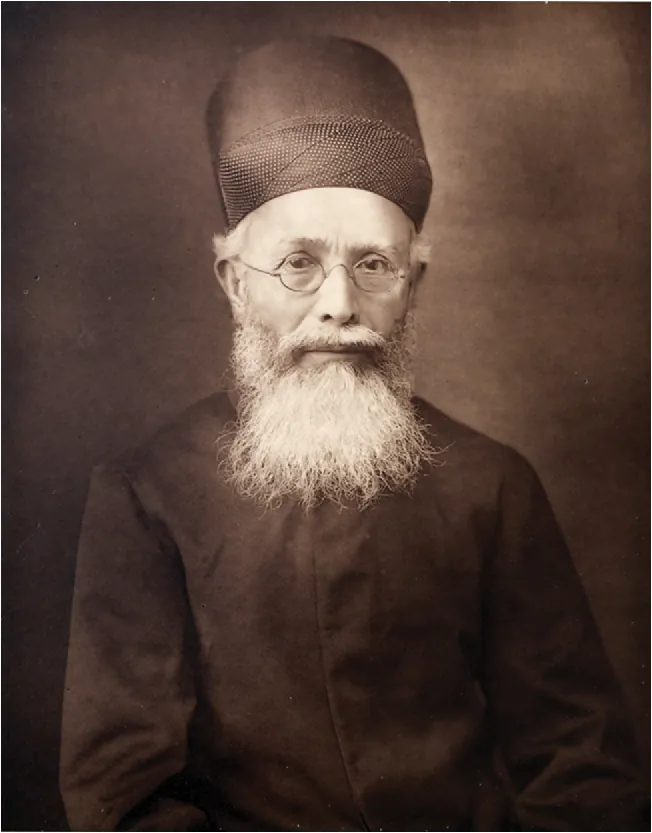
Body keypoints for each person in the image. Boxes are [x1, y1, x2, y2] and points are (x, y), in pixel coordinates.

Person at [60, 37, 650, 831]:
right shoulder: (145, 494)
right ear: (235, 283)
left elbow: (584, 768)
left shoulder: (492, 483)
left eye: (373, 264)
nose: (339, 304)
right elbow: (123, 794)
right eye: (297, 263)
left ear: (414, 284)